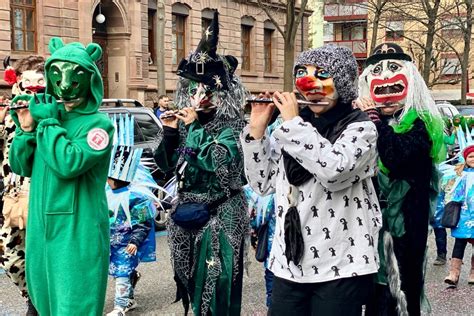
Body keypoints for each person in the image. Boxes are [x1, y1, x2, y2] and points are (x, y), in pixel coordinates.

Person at [241, 45, 381, 315]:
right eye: (302, 73)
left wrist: (293, 123)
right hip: (290, 263)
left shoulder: (361, 128)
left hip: (341, 264)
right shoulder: (291, 128)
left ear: (341, 83)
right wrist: (257, 132)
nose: (309, 82)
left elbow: (334, 171)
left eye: (322, 74)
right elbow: (263, 184)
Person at [9, 37, 114, 315]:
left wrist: (47, 123)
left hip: (77, 229)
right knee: (43, 303)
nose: (65, 83)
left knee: (74, 305)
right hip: (41, 227)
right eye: (57, 73)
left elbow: (69, 163)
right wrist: (26, 129)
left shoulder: (99, 125)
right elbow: (21, 165)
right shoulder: (49, 116)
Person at [154, 11, 248, 315]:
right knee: (188, 280)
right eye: (194, 89)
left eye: (207, 89)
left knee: (215, 285)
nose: (199, 95)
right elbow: (165, 167)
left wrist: (194, 128)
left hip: (222, 212)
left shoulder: (232, 125)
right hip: (186, 211)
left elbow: (219, 164)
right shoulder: (182, 122)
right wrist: (169, 134)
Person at [357, 43, 445, 316]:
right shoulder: (360, 125)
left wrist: (375, 122)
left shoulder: (422, 123)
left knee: (403, 294)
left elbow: (396, 158)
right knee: (374, 295)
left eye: (394, 70)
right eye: (378, 74)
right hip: (370, 226)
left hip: (407, 227)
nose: (384, 77)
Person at [0, 55, 45, 315]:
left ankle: (43, 301)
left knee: (42, 255)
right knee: (10, 256)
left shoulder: (51, 110)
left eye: (39, 79)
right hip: (12, 198)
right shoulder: (10, 113)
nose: (32, 86)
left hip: (43, 197)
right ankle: (32, 297)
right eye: (26, 79)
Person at [106, 114, 158, 315]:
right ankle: (129, 292)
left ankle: (119, 306)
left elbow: (143, 223)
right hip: (109, 242)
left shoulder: (136, 197)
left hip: (126, 244)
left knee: (121, 274)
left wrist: (135, 241)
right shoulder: (105, 192)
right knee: (118, 273)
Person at [443, 144, 474, 287]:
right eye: (471, 156)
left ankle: (473, 272)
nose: (473, 159)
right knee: (459, 243)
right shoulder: (460, 174)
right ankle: (454, 273)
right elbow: (456, 194)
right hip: (463, 215)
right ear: (465, 158)